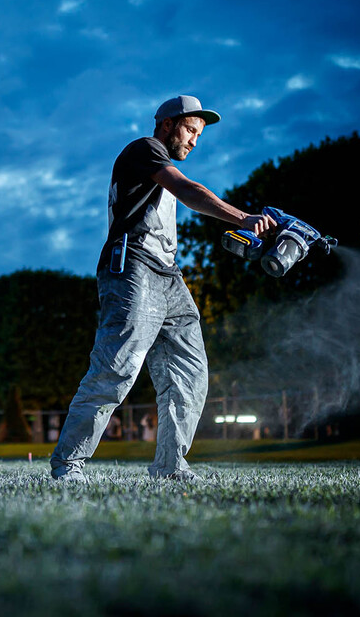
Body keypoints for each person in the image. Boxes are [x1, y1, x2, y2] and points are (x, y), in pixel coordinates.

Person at [50, 95, 275, 482]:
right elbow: (188, 190)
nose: (194, 140)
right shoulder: (145, 149)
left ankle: (170, 466)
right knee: (116, 367)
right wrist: (245, 217)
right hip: (133, 266)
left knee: (190, 373)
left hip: (170, 276)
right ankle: (68, 464)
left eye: (199, 135)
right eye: (190, 130)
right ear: (167, 124)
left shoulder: (161, 161)